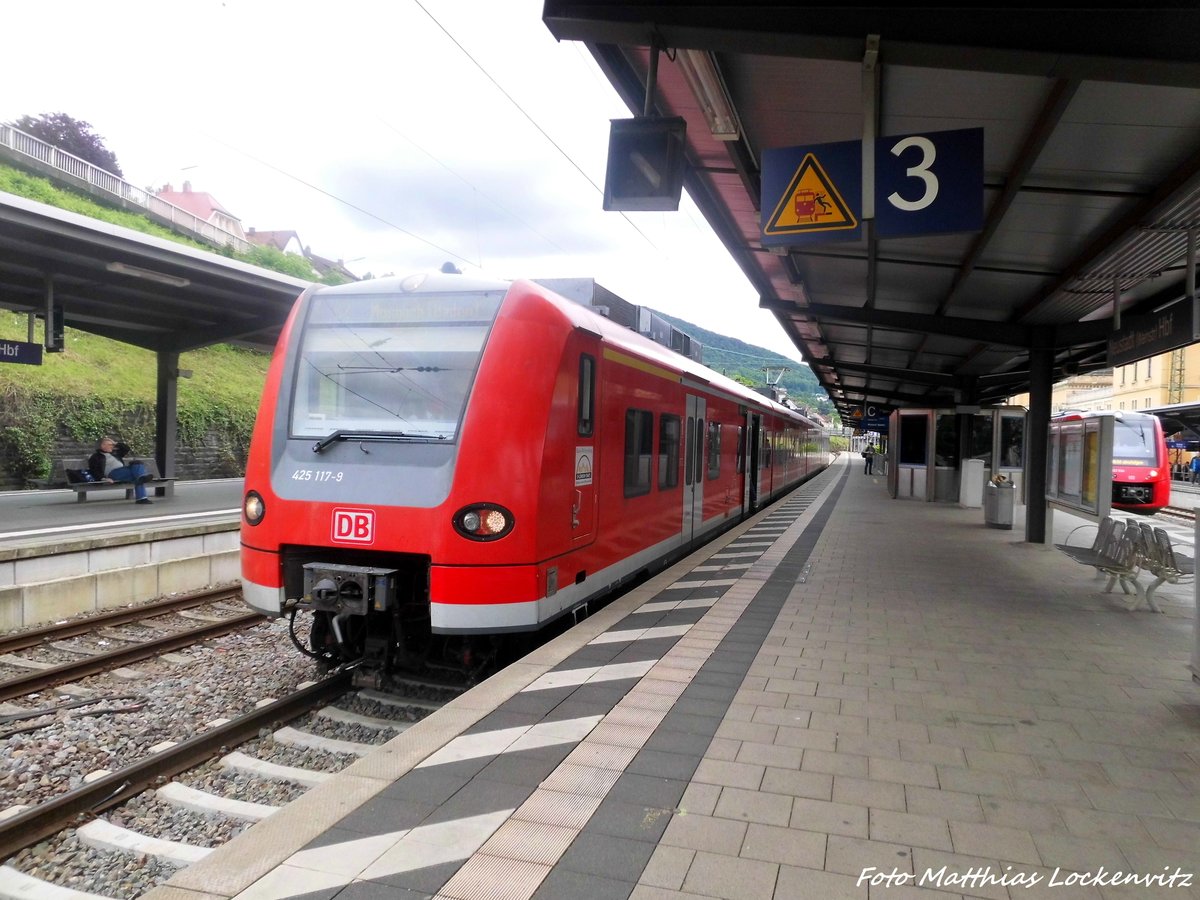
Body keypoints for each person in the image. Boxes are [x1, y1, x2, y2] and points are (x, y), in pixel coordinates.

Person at [88, 436, 153, 504]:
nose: (112, 446)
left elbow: (126, 448)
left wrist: (116, 443)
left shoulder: (115, 454)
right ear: (102, 445)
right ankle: (141, 498)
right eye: (110, 445)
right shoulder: (96, 457)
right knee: (138, 475)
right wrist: (102, 478)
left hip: (124, 471)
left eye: (112, 445)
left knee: (137, 465)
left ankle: (142, 493)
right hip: (113, 473)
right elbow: (94, 470)